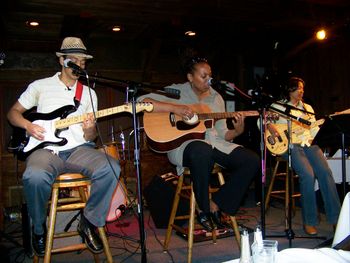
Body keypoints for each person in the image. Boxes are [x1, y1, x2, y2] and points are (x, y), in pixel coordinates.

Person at [7, 37, 119, 256]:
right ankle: (38, 228)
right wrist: (28, 126)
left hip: (79, 150)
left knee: (111, 167)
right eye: (74, 60)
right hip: (46, 151)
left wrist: (89, 129)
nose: (79, 64)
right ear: (61, 60)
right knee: (35, 177)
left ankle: (89, 222)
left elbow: (91, 135)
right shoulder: (40, 86)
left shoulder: (89, 93)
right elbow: (13, 113)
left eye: (83, 61)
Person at [139, 57, 259, 231]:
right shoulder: (176, 91)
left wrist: (238, 130)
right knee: (201, 151)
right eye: (203, 76)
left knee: (251, 160)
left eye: (210, 75)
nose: (208, 80)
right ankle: (203, 209)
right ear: (190, 77)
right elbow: (143, 102)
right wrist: (175, 108)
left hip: (214, 143)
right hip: (185, 146)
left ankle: (216, 204)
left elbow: (223, 134)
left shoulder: (217, 98)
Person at [267, 76, 340, 235]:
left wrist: (321, 128)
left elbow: (313, 129)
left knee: (325, 172)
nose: (301, 91)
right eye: (298, 88)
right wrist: (271, 127)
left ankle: (336, 219)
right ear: (290, 89)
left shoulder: (307, 108)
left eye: (302, 88)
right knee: (308, 174)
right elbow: (263, 122)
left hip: (309, 143)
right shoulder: (278, 106)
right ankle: (310, 221)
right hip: (290, 145)